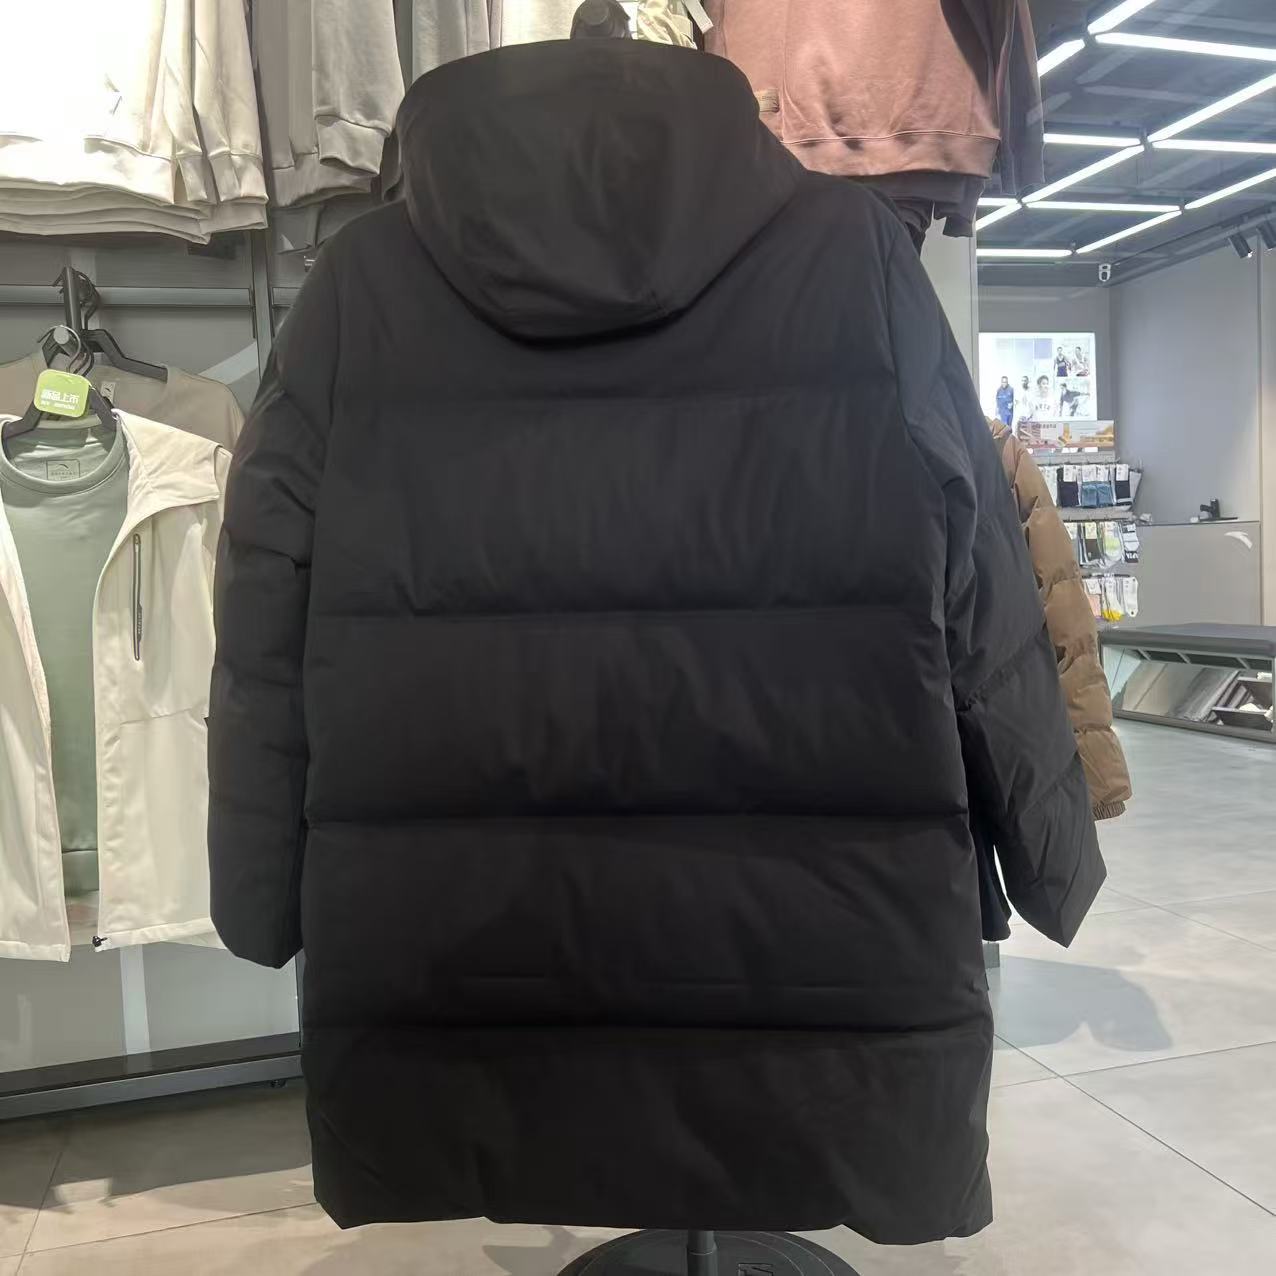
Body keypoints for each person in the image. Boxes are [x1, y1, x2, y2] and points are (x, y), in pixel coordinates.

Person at [208, 38, 1102, 1246]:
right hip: (813, 942)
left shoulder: (356, 289)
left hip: (476, 940)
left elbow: (264, 611)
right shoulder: (855, 258)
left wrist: (258, 888)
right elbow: (980, 574)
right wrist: (1047, 850)